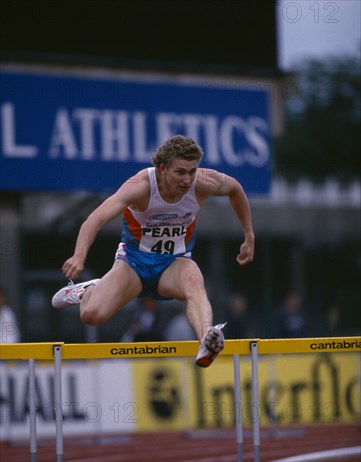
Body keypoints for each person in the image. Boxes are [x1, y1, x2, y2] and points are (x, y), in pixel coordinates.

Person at [52, 135, 255, 367]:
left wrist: (249, 235)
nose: (187, 180)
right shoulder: (140, 187)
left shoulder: (204, 182)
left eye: (192, 171)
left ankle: (207, 338)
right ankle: (89, 290)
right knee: (91, 315)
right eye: (180, 172)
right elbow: (96, 219)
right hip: (134, 262)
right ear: (162, 169)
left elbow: (235, 189)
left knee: (194, 280)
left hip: (174, 262)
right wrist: (79, 256)